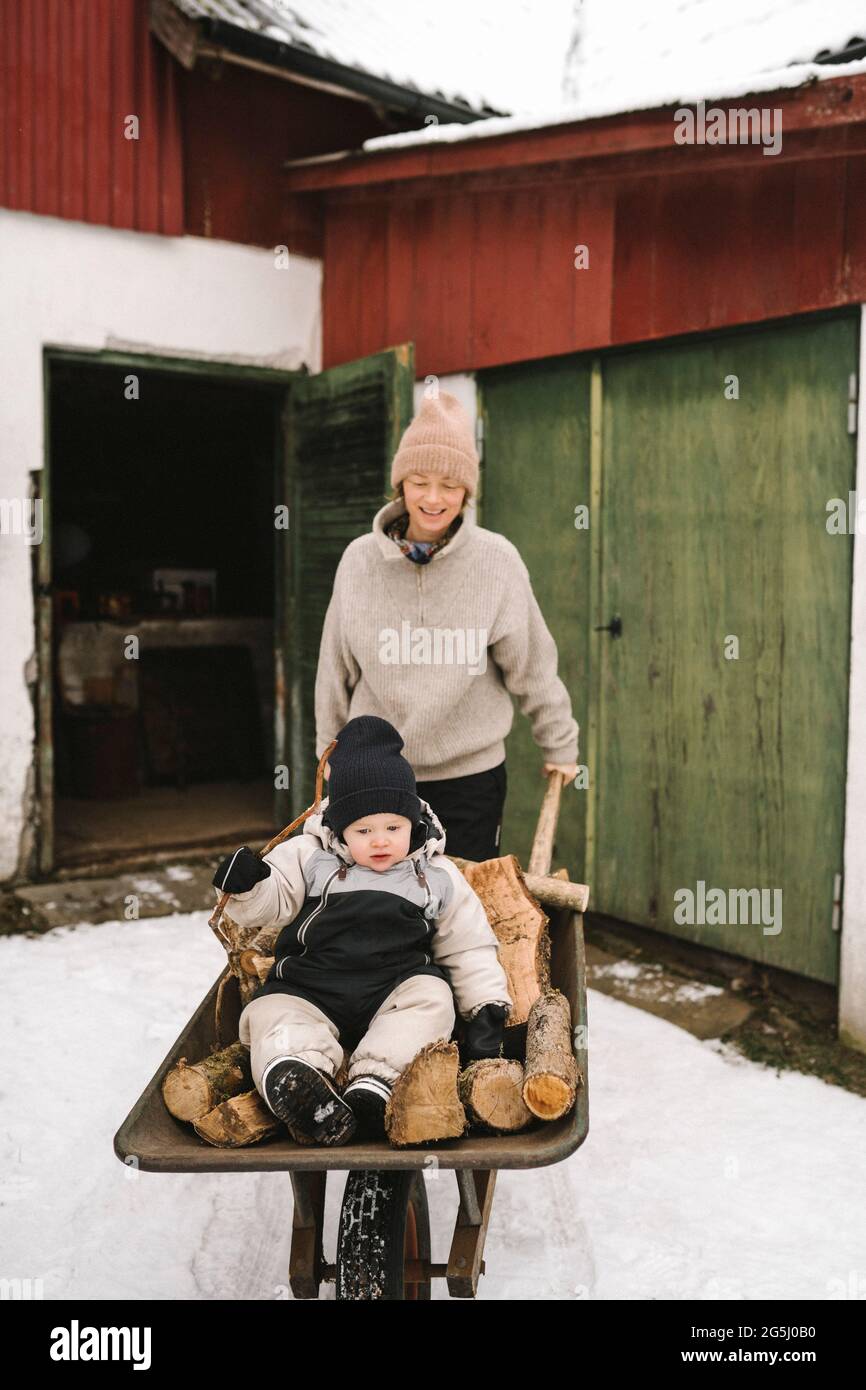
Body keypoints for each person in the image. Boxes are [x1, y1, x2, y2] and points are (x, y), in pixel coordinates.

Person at [211, 715, 513, 1147]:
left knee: (432, 998)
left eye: (394, 827)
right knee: (271, 1011)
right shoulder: (308, 856)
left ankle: (377, 1081)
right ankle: (300, 1074)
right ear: (339, 827)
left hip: (393, 988)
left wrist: (484, 1004)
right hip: (311, 985)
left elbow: (467, 947)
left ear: (414, 820)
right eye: (363, 830)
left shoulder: (437, 873)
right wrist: (248, 885)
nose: (380, 841)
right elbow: (272, 902)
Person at [315, 389, 579, 861]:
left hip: (470, 778)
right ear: (400, 485)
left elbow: (533, 665)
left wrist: (559, 742)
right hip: (375, 775)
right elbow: (334, 671)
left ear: (467, 492)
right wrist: (328, 755)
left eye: (450, 485)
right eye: (419, 481)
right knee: (380, 915)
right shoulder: (359, 561)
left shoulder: (497, 561)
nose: (433, 499)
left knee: (463, 912)